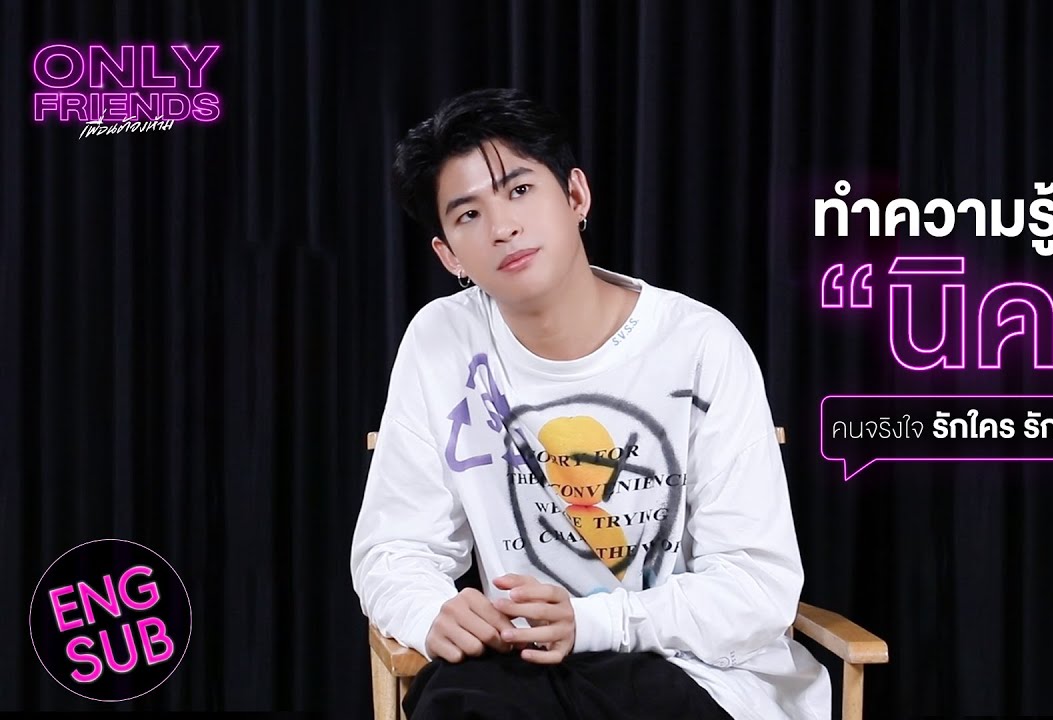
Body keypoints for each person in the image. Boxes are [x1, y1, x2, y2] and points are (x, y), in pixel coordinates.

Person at [350, 87, 830, 720]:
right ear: (448, 255)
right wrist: (431, 610)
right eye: (468, 215)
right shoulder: (442, 340)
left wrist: (592, 621)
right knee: (462, 699)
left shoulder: (699, 344)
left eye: (520, 190)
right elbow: (393, 548)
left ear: (576, 196)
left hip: (697, 673)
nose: (502, 227)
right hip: (522, 671)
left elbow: (757, 586)